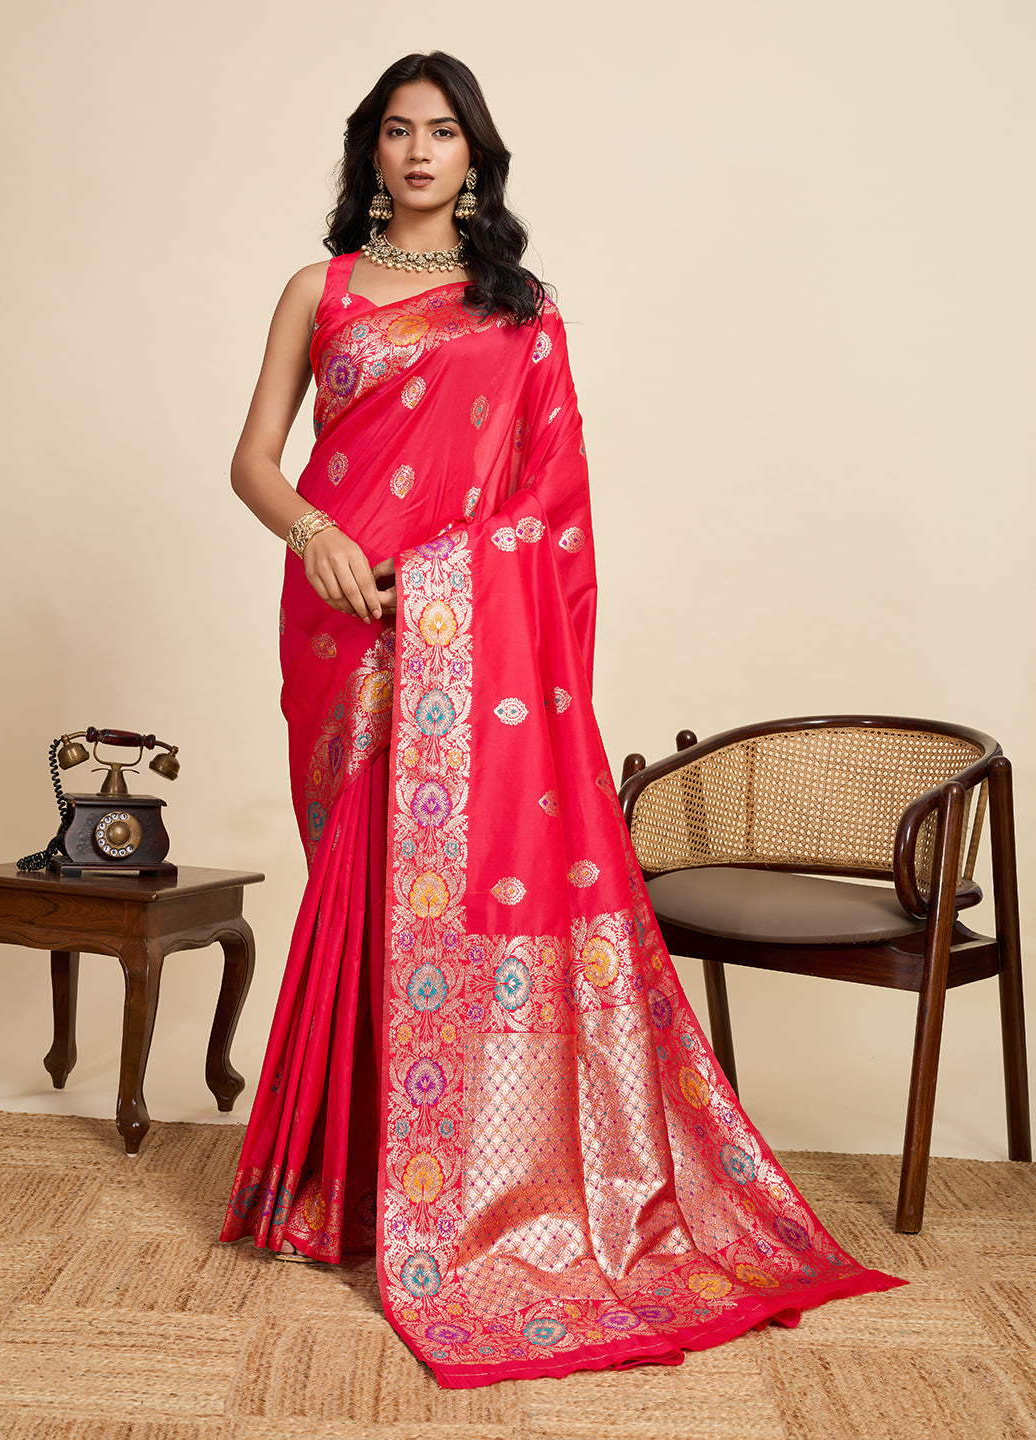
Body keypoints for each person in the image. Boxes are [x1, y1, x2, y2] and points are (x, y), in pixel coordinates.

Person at [221, 51, 902, 1390]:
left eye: (444, 132)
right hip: (340, 620)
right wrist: (314, 536)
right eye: (398, 131)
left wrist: (446, 580)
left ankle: (431, 1186)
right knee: (358, 877)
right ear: (370, 153)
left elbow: (551, 506)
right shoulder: (319, 289)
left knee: (435, 887)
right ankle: (335, 1186)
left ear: (476, 158)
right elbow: (252, 460)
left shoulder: (519, 311)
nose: (421, 152)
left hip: (460, 632)